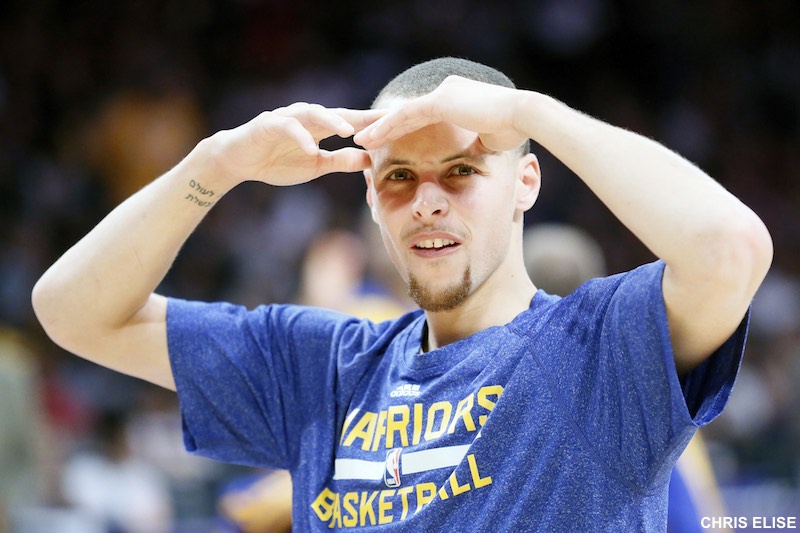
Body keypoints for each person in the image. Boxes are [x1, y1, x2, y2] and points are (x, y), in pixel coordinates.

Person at [32, 57, 773, 531]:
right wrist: (216, 164)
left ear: (525, 181)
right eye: (398, 177)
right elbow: (70, 309)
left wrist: (530, 115)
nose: (426, 201)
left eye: (460, 170)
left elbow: (731, 248)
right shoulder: (317, 364)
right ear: (370, 197)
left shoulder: (599, 348)